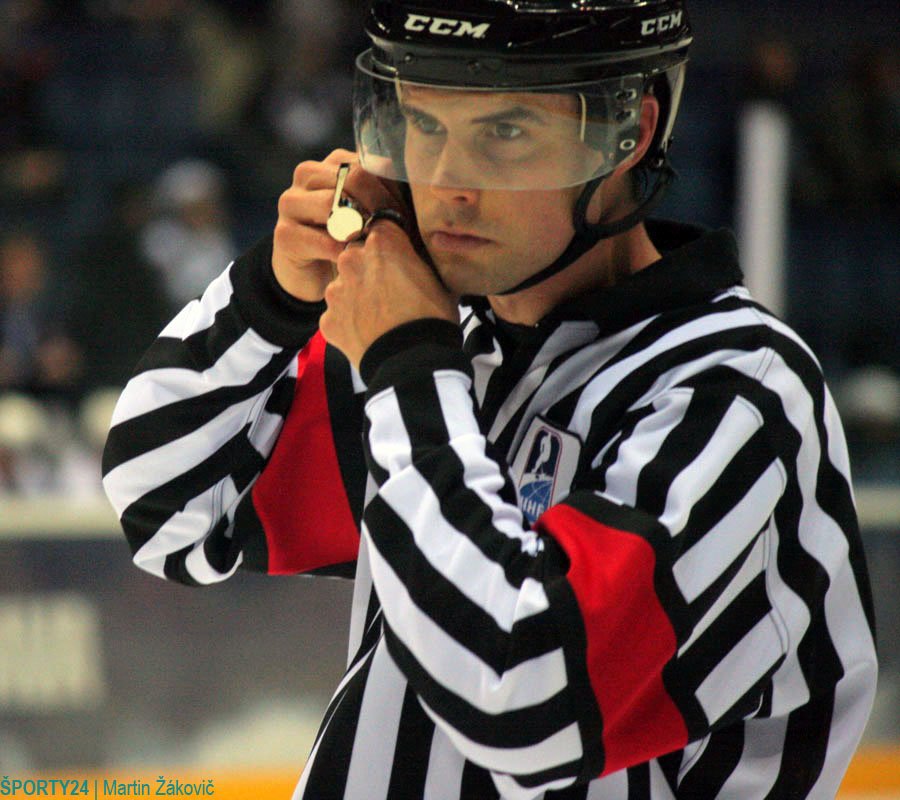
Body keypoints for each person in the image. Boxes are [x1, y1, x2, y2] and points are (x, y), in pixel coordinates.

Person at [102, 1, 878, 797]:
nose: (447, 184)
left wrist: (411, 369)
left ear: (630, 131)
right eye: (423, 124)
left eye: (505, 132)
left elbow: (523, 700)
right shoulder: (453, 345)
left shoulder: (740, 391)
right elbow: (162, 508)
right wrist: (268, 301)